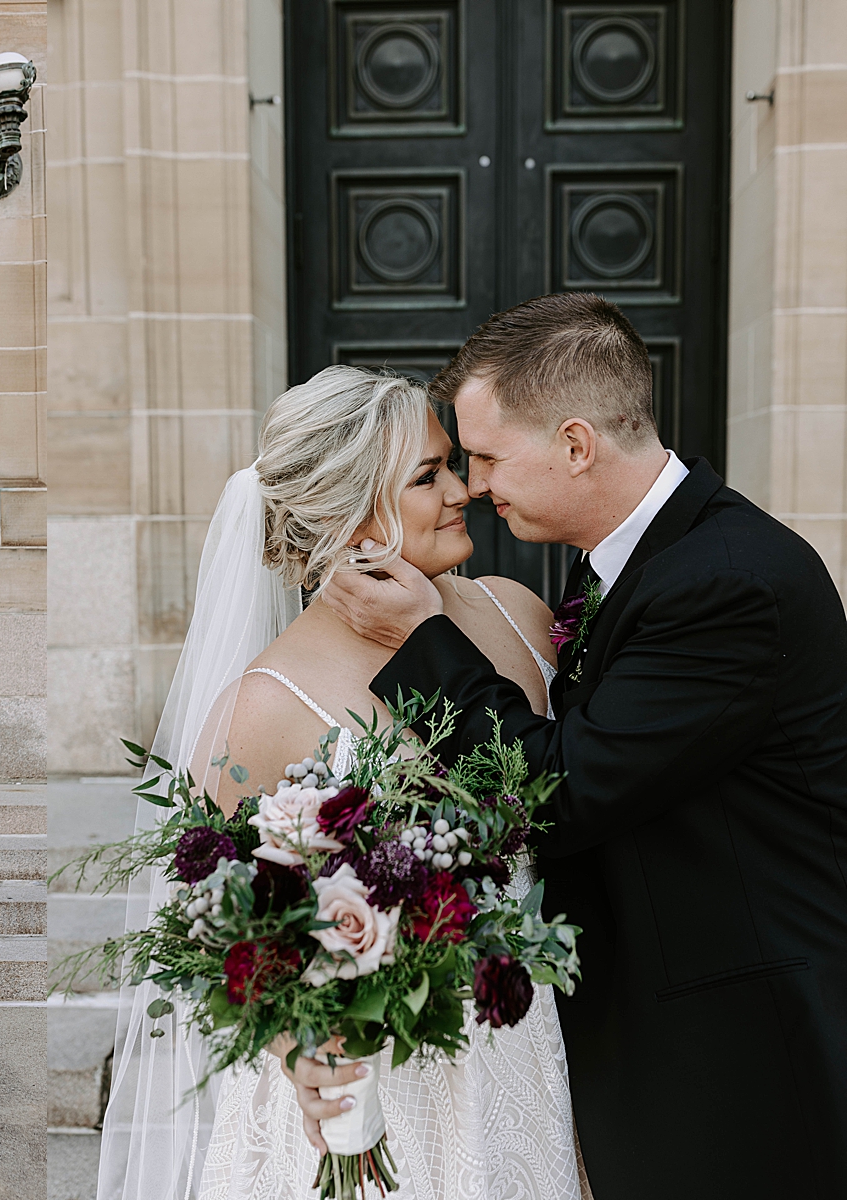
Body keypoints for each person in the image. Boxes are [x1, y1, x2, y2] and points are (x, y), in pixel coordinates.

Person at [322, 292, 847, 1199]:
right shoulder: (637, 560)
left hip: (744, 1053)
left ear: (575, 444)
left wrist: (421, 643)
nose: (476, 487)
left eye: (485, 456)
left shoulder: (725, 584)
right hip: (654, 1031)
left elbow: (559, 794)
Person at [98, 365, 585, 1200]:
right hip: (379, 1085)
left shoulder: (516, 613)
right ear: (352, 515)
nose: (464, 489)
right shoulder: (265, 704)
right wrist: (298, 1053)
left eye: (450, 465)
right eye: (428, 477)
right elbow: (217, 929)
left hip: (535, 1047)